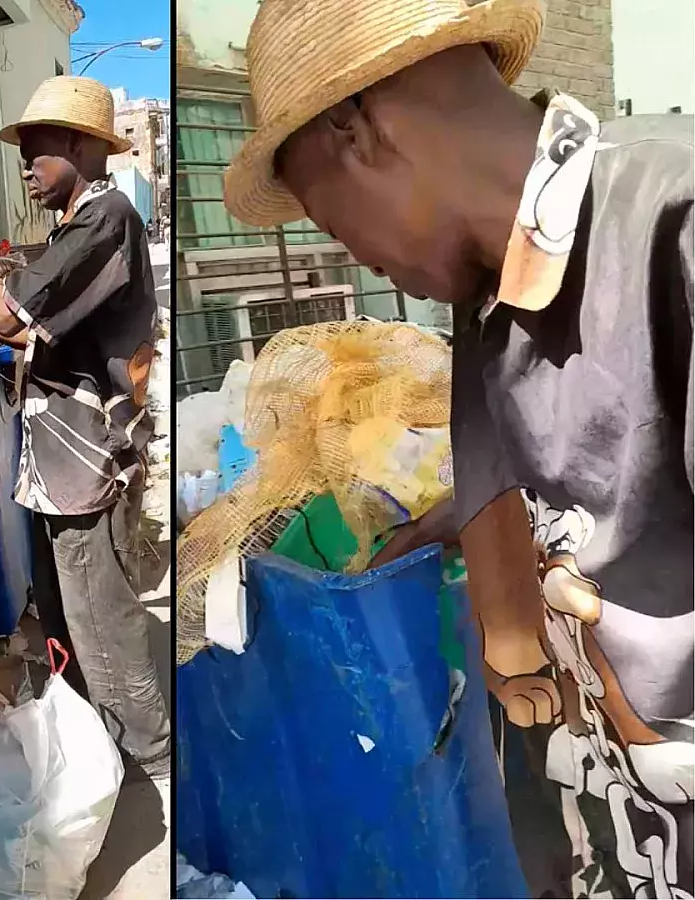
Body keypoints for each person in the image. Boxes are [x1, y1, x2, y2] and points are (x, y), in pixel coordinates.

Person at [225, 1, 694, 896]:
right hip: (589, 836)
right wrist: (454, 522)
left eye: (331, 224)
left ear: (354, 130)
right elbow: (594, 488)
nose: (357, 257)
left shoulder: (674, 226)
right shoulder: (487, 288)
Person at [0, 76, 170, 785]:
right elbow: (12, 321)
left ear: (80, 146)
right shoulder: (79, 224)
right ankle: (88, 735)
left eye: (37, 153)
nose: (25, 168)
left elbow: (13, 316)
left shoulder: (105, 219)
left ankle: (149, 756)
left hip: (85, 451)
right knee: (61, 609)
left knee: (98, 614)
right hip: (58, 453)